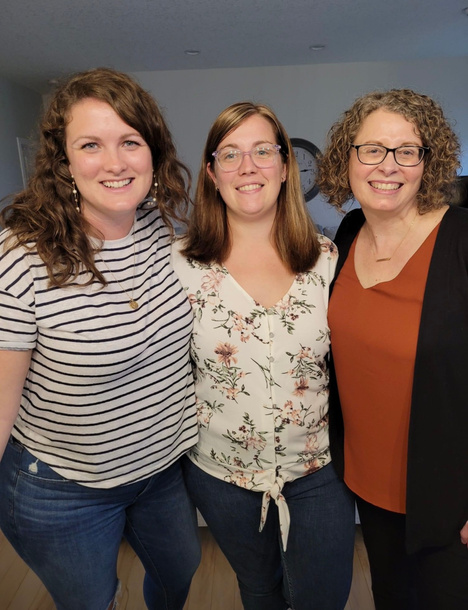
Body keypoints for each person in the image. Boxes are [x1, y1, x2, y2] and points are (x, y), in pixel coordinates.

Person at [0, 67, 200, 610]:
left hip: (161, 470)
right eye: (91, 145)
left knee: (182, 572)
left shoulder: (164, 229)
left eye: (130, 142)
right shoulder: (21, 255)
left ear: (153, 153)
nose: (114, 163)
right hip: (62, 486)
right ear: (64, 162)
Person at [171, 102, 355, 610]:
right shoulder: (179, 265)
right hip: (221, 473)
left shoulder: (327, 260)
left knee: (322, 596)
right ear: (212, 174)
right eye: (230, 154)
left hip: (318, 470)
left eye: (262, 151)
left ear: (284, 166)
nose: (247, 167)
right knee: (259, 589)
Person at [317, 89, 468, 610]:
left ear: (429, 162)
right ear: (348, 158)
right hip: (368, 487)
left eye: (407, 151)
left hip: (448, 499)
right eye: (372, 149)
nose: (389, 165)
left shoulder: (462, 240)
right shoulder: (349, 232)